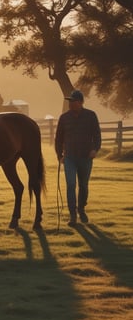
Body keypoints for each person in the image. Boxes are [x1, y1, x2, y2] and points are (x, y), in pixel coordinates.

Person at [55, 90, 101, 227]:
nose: (70, 103)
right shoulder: (64, 118)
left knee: (83, 185)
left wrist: (95, 149)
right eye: (69, 101)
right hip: (69, 157)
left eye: (73, 101)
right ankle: (73, 215)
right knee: (70, 184)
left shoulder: (91, 116)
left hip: (86, 157)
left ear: (80, 102)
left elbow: (97, 135)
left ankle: (81, 209)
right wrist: (59, 155)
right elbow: (58, 138)